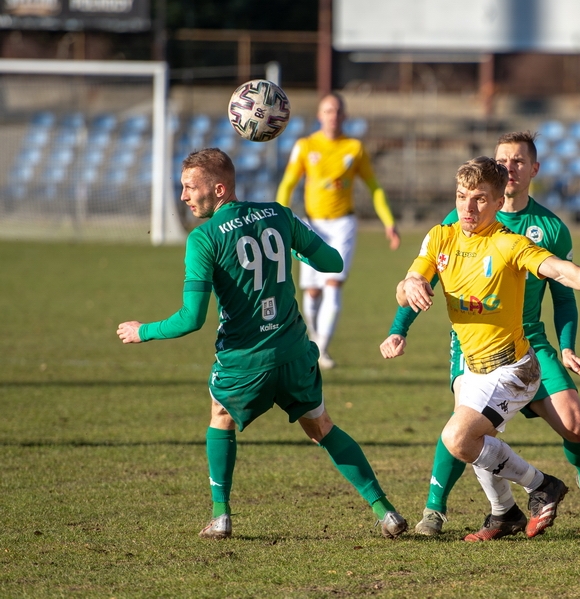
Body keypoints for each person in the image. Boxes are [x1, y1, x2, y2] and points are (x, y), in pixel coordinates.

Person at [117, 148, 407, 540]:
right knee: (321, 426)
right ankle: (385, 511)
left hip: (244, 361)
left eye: (190, 188)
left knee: (220, 415)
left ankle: (221, 517)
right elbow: (332, 263)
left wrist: (143, 330)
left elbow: (191, 319)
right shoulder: (279, 213)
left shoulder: (203, 239)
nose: (183, 197)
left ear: (219, 189)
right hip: (292, 352)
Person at [381, 132, 580, 538]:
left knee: (573, 426)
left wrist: (579, 328)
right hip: (471, 347)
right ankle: (454, 510)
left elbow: (563, 285)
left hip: (524, 347)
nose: (508, 168)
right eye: (501, 161)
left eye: (516, 162)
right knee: (468, 431)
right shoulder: (449, 227)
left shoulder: (535, 233)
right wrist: (400, 321)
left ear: (532, 170)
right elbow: (418, 278)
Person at [277, 92, 401, 370]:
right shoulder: (305, 146)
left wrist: (388, 222)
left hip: (343, 224)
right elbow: (287, 184)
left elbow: (374, 187)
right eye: (328, 111)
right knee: (311, 292)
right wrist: (281, 217)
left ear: (344, 116)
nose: (333, 115)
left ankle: (321, 349)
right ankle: (314, 338)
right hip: (310, 225)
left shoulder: (354, 148)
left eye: (337, 111)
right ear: (320, 115)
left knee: (333, 284)